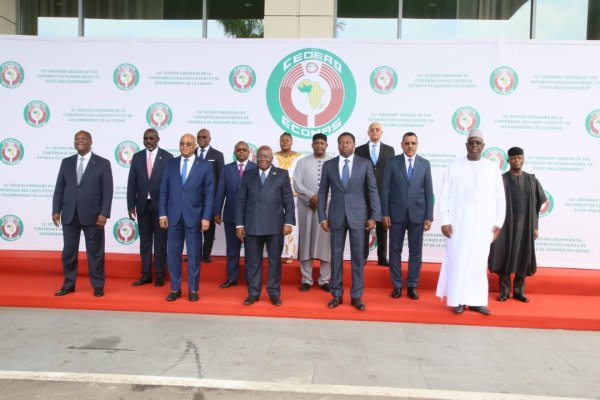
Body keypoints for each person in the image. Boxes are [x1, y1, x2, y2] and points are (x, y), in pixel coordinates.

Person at [436, 129, 505, 315]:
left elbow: (500, 197)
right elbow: (444, 195)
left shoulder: (492, 168)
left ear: (483, 146)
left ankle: (476, 300)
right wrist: (445, 220)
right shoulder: (454, 165)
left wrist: (498, 222)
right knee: (458, 260)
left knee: (478, 262)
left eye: (478, 143)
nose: (474, 145)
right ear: (466, 145)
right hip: (459, 223)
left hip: (483, 225)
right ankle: (458, 299)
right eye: (471, 142)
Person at [318, 132, 381, 311]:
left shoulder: (365, 164)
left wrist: (374, 216)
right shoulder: (329, 165)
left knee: (357, 258)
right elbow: (322, 192)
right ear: (337, 146)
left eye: (348, 142)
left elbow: (372, 191)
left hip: (358, 217)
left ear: (354, 145)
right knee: (335, 258)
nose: (345, 145)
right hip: (336, 217)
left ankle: (356, 296)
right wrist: (322, 216)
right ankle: (336, 294)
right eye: (341, 143)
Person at [52, 130, 113, 297]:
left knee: (95, 253)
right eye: (76, 139)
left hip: (94, 216)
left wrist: (104, 213)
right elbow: (59, 189)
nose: (79, 141)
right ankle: (69, 284)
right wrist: (56, 210)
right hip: (69, 214)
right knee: (69, 252)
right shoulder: (66, 162)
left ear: (90, 141)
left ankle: (98, 285)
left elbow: (108, 192)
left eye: (83, 139)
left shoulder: (102, 163)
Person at [236, 145, 295, 306]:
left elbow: (288, 201)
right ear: (256, 158)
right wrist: (239, 224)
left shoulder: (281, 174)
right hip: (252, 224)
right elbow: (241, 201)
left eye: (266, 156)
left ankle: (274, 293)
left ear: (272, 158)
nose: (263, 159)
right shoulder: (248, 175)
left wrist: (289, 222)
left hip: (275, 226)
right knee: (253, 261)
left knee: (275, 261)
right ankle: (253, 292)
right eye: (260, 156)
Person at [159, 133, 214, 302]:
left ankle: (193, 290)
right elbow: (164, 191)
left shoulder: (205, 166)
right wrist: (162, 213)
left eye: (188, 143)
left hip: (194, 217)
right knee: (173, 254)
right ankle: (175, 289)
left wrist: (206, 217)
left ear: (195, 145)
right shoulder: (170, 164)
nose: (184, 146)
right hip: (173, 216)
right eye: (182, 143)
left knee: (194, 255)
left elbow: (209, 193)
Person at [488, 147, 547, 303]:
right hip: (505, 225)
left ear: (524, 159)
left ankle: (519, 291)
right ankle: (504, 291)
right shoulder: (501, 179)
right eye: (513, 158)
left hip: (525, 225)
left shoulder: (531, 180)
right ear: (508, 161)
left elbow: (537, 205)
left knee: (523, 256)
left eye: (519, 158)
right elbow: (492, 202)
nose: (517, 161)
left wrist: (535, 226)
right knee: (504, 255)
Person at [381, 132, 434, 300]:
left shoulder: (424, 164)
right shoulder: (392, 162)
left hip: (418, 215)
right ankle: (397, 285)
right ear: (402, 144)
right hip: (395, 214)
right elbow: (385, 190)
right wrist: (385, 213)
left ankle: (412, 285)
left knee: (416, 252)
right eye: (407, 143)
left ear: (417, 145)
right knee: (395, 251)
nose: (410, 146)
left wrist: (429, 216)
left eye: (413, 143)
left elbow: (428, 192)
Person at [127, 128, 173, 288]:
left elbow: (171, 185)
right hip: (142, 206)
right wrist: (130, 204)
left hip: (161, 208)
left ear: (158, 139)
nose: (148, 141)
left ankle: (160, 274)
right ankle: (146, 274)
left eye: (151, 138)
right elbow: (131, 182)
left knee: (161, 242)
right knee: (145, 242)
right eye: (146, 138)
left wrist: (168, 209)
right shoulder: (137, 157)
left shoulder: (167, 157)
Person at [213, 141, 256, 288]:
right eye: (238, 150)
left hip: (251, 217)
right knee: (232, 249)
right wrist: (217, 211)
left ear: (249, 152)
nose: (241, 152)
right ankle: (232, 277)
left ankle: (251, 279)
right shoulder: (226, 169)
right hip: (231, 214)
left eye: (244, 150)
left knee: (251, 250)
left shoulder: (255, 168)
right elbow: (220, 192)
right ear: (234, 152)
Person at [293, 133, 332, 293]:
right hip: (307, 206)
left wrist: (321, 201)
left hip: (328, 208)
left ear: (326, 145)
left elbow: (336, 186)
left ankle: (324, 280)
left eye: (322, 143)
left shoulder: (332, 163)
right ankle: (306, 279)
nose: (319, 146)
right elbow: (296, 183)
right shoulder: (302, 162)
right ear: (312, 145)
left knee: (326, 244)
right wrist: (310, 197)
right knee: (306, 242)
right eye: (316, 143)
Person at [354, 122, 395, 266]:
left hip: (384, 194)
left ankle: (382, 258)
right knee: (365, 227)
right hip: (364, 194)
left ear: (381, 132)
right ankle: (363, 256)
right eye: (372, 130)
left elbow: (391, 172)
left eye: (377, 130)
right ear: (368, 133)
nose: (375, 132)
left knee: (383, 228)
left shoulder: (389, 150)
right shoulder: (359, 150)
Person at [273, 132, 302, 264]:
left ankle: (289, 253)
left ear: (292, 141)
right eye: (282, 140)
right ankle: (275, 252)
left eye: (287, 140)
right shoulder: (273, 157)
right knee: (275, 222)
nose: (284, 142)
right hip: (276, 195)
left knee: (291, 224)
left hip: (294, 196)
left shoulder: (299, 157)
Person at [195, 128, 224, 263]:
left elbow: (221, 179)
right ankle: (193, 253)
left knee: (209, 228)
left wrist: (217, 200)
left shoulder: (217, 155)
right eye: (199, 137)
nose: (201, 139)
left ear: (209, 139)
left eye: (204, 137)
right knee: (192, 227)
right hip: (192, 199)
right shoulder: (191, 153)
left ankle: (206, 255)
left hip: (210, 199)